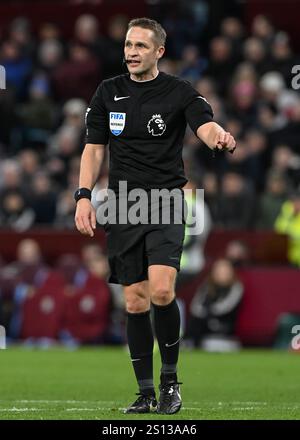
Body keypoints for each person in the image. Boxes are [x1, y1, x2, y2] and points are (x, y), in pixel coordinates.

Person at [74, 17, 236, 415]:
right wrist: (82, 196)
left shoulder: (178, 91)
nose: (131, 52)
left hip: (165, 200)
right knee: (134, 302)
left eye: (141, 46)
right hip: (123, 203)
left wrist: (217, 135)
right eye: (128, 45)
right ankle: (145, 392)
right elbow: (94, 148)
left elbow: (203, 123)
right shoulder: (108, 92)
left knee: (162, 291)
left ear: (159, 52)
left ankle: (170, 383)